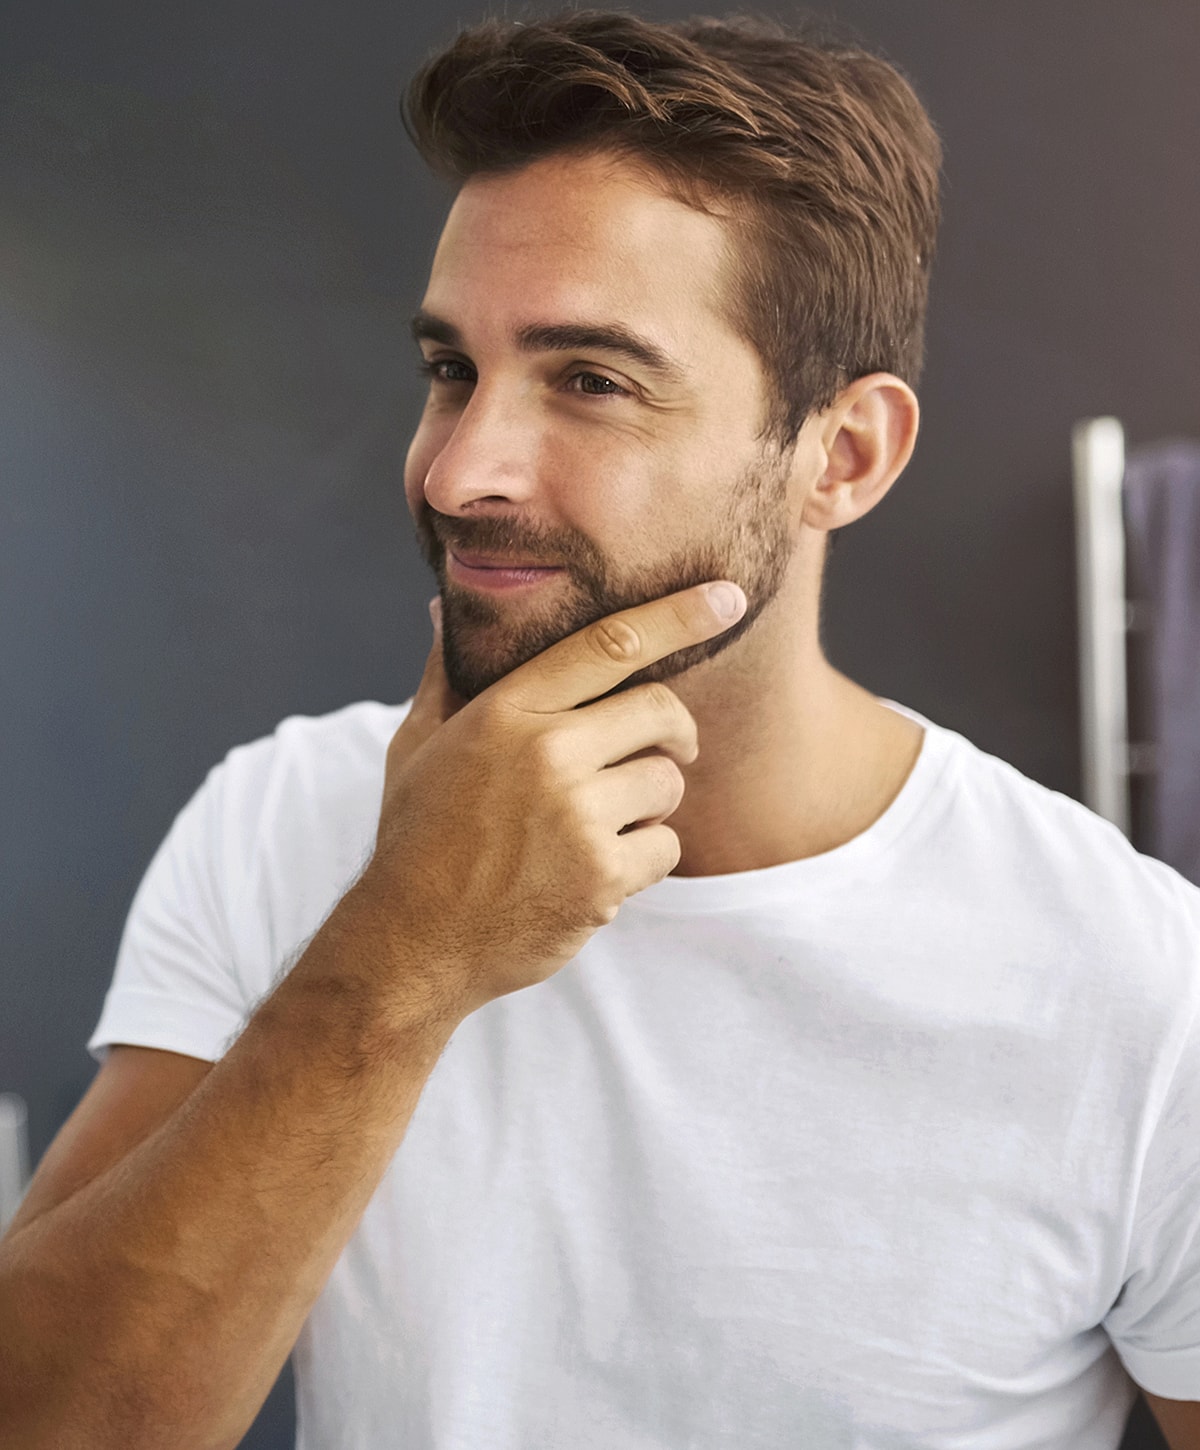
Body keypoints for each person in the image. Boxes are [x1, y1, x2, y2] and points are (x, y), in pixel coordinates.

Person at [1, 10, 1198, 1448]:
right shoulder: (283, 820)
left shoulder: (1144, 993)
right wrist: (402, 951)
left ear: (845, 454)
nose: (461, 467)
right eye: (453, 368)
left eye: (592, 380)